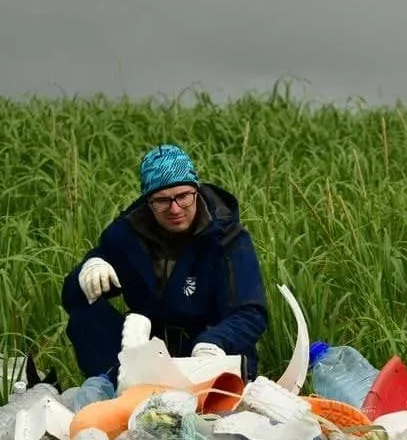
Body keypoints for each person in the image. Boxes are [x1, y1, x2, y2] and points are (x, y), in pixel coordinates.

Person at [61, 144, 268, 386]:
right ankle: (112, 388)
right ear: (148, 202)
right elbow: (72, 298)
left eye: (183, 196)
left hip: (209, 351)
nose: (175, 209)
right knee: (85, 313)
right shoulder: (127, 236)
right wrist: (89, 268)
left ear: (196, 191)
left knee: (217, 357)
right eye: (162, 201)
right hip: (148, 349)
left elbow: (251, 313)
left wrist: (214, 343)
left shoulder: (228, 238)